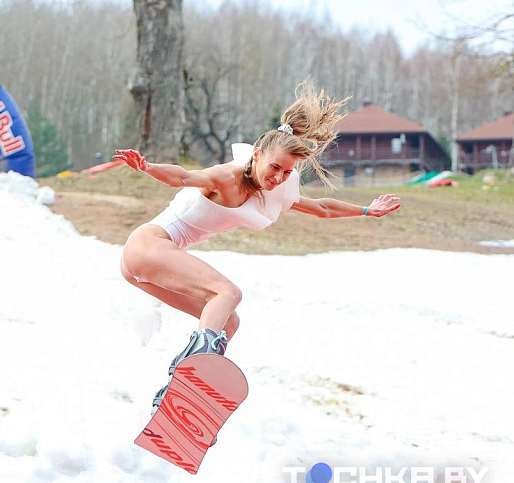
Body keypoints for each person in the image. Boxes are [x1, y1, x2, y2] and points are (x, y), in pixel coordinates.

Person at [114, 79, 401, 411]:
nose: (278, 177)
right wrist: (147, 167)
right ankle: (191, 375)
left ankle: (176, 390)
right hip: (148, 245)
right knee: (228, 293)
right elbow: (182, 176)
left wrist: (367, 210)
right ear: (257, 154)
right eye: (275, 167)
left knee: (229, 322)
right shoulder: (227, 176)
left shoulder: (270, 192)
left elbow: (322, 208)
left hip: (144, 266)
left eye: (287, 172)